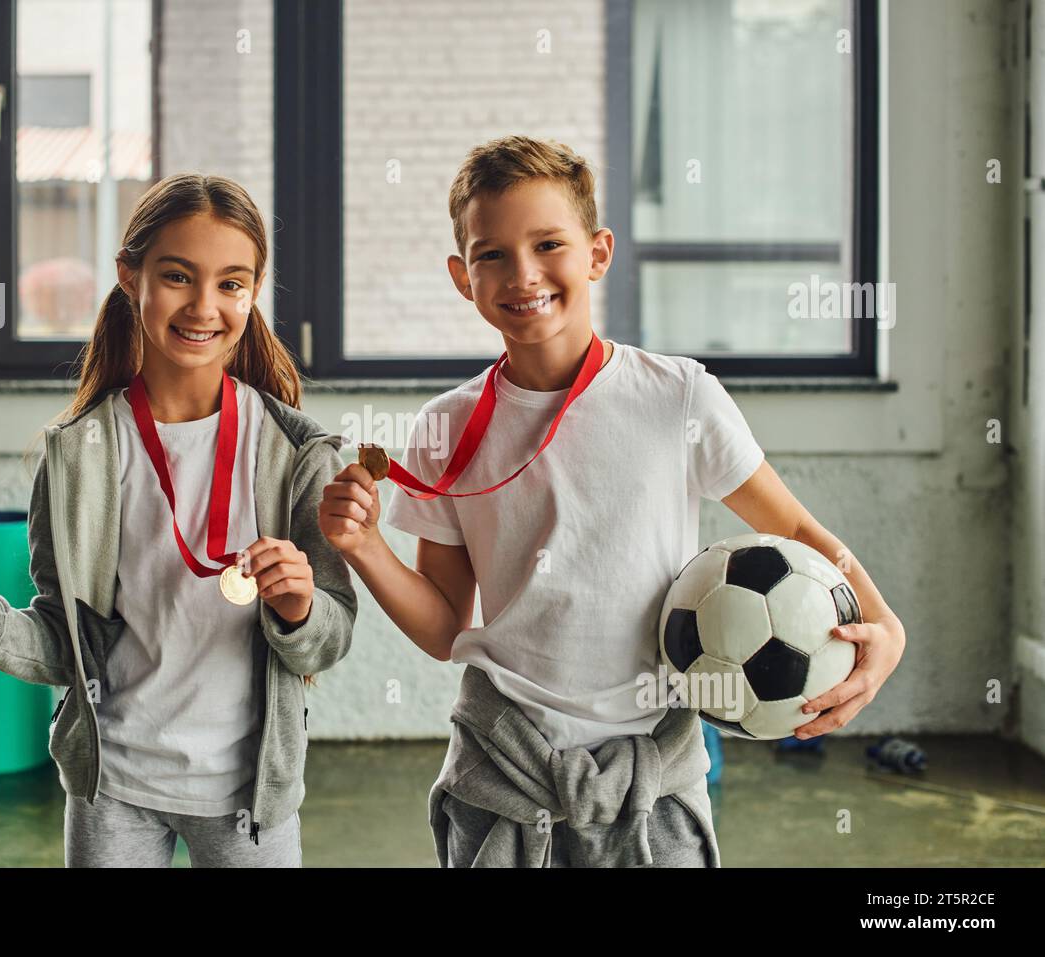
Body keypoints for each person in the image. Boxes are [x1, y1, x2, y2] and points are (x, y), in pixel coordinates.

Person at [319, 135, 905, 868]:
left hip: (652, 779)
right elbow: (444, 629)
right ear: (461, 277)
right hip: (503, 774)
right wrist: (366, 549)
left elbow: (791, 526)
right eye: (491, 253)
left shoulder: (677, 395)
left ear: (597, 253)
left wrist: (886, 628)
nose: (522, 273)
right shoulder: (445, 425)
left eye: (548, 244)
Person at [0, 173, 357, 868]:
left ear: (254, 290)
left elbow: (330, 639)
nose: (204, 305)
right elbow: (64, 642)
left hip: (249, 799)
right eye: (178, 276)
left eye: (232, 283)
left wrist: (301, 608)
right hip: (112, 788)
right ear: (130, 276)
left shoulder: (300, 454)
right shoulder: (76, 455)